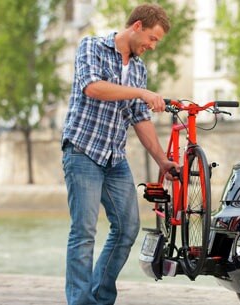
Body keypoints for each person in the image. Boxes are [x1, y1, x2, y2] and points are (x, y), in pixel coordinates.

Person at [61, 4, 176, 305]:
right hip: (83, 150)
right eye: (152, 38)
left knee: (128, 228)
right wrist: (141, 93)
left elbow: (140, 118)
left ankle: (100, 296)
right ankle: (80, 302)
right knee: (84, 231)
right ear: (137, 26)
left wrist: (162, 160)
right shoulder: (92, 46)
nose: (152, 46)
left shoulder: (138, 68)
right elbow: (93, 88)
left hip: (114, 158)